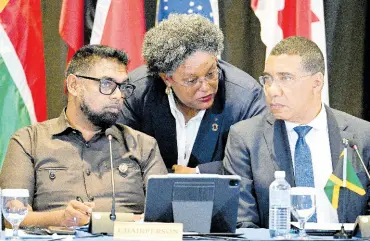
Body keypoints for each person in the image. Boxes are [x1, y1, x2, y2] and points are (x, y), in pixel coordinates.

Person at [0, 45, 167, 227]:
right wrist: (61, 218)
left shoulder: (143, 145)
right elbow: (12, 217)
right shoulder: (29, 141)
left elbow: (164, 217)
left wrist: (97, 223)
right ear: (74, 85)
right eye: (107, 84)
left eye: (123, 86)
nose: (119, 95)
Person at [223, 36, 370, 228]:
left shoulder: (362, 134)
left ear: (316, 83)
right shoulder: (246, 138)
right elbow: (242, 224)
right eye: (267, 79)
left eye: (285, 78)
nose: (272, 90)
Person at [119, 14, 266, 174]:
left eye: (211, 73)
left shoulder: (245, 97)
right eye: (191, 80)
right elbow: (116, 151)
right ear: (166, 78)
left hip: (218, 195)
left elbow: (258, 160)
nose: (206, 87)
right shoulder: (136, 92)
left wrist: (199, 173)